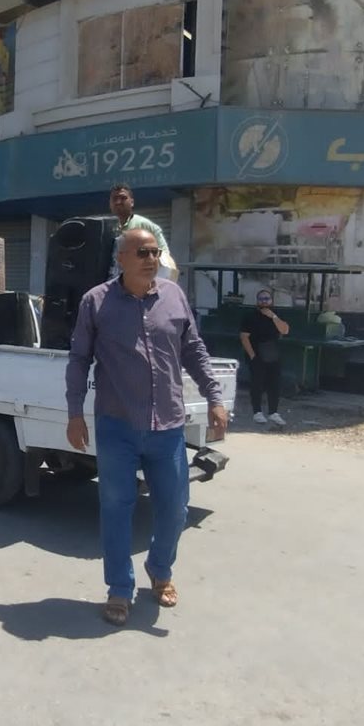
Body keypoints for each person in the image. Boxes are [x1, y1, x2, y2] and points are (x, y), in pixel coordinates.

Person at [65, 228, 228, 627]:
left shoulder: (174, 296)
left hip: (167, 425)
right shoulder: (96, 302)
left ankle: (160, 569)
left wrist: (215, 397)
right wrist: (74, 412)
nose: (151, 259)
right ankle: (120, 589)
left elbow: (194, 350)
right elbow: (79, 359)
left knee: (174, 508)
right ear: (121, 258)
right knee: (116, 509)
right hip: (117, 425)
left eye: (155, 252)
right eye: (142, 252)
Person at [240, 288, 290, 427]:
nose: (264, 301)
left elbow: (285, 330)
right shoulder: (250, 316)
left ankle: (273, 412)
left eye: (267, 298)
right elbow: (244, 337)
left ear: (271, 301)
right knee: (257, 383)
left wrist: (273, 316)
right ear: (257, 301)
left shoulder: (276, 314)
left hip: (273, 352)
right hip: (256, 351)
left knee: (274, 384)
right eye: (261, 299)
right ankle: (257, 412)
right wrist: (252, 355)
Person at [108, 183, 174, 279]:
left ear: (132, 202)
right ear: (110, 203)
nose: (118, 202)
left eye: (123, 198)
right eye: (114, 199)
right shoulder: (108, 228)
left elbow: (164, 256)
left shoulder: (145, 225)